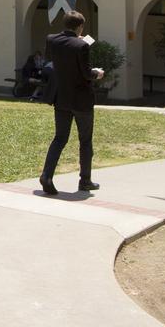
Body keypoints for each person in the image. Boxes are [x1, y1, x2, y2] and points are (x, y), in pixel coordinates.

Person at [39, 10, 104, 196]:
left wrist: (76, 40)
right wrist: (97, 73)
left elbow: (51, 61)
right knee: (85, 141)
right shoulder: (82, 46)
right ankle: (85, 181)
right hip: (81, 100)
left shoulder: (51, 39)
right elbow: (85, 73)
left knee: (59, 138)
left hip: (61, 98)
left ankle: (47, 176)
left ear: (65, 24)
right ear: (80, 27)